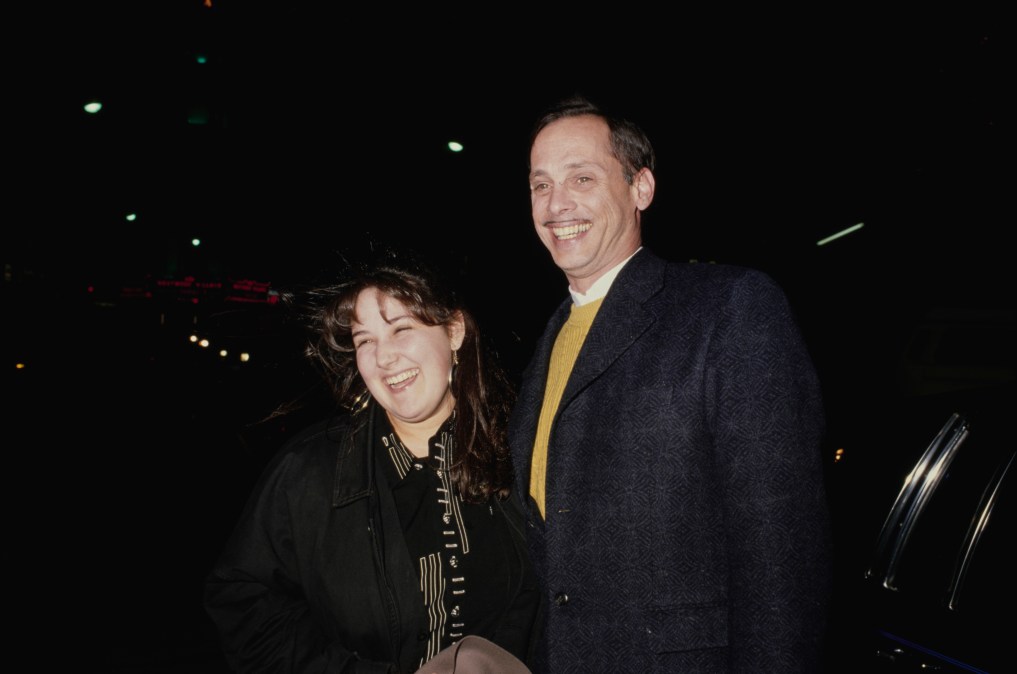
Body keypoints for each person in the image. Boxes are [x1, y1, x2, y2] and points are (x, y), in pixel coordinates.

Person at [508, 94, 832, 673]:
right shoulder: (548, 341)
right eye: (540, 185)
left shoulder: (730, 309)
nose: (556, 204)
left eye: (582, 177)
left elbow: (780, 558)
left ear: (641, 189)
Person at [204, 250, 541, 673]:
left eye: (402, 329)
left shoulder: (524, 450)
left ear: (454, 331)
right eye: (365, 340)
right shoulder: (308, 471)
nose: (384, 358)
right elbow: (241, 602)